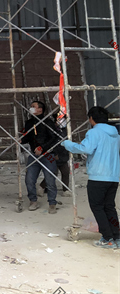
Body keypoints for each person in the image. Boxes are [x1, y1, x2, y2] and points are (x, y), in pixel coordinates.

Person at [63, 106, 120, 249]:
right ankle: (117, 236)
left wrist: (68, 144)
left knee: (97, 207)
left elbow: (85, 148)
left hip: (98, 176)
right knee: (109, 207)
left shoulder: (94, 132)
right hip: (113, 176)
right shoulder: (115, 134)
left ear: (91, 119)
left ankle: (107, 238)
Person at [20, 101, 59, 213]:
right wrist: (21, 140)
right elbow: (28, 137)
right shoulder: (29, 123)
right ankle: (33, 201)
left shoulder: (48, 122)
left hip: (48, 155)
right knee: (29, 179)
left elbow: (54, 138)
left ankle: (52, 203)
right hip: (34, 155)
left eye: (33, 106)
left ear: (40, 109)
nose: (31, 108)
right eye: (31, 106)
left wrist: (42, 147)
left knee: (50, 180)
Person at [39, 116, 71, 196]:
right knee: (53, 173)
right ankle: (41, 187)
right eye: (60, 119)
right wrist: (54, 153)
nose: (62, 121)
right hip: (52, 154)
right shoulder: (51, 130)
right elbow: (50, 142)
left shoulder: (65, 130)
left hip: (63, 154)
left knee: (65, 172)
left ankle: (65, 190)